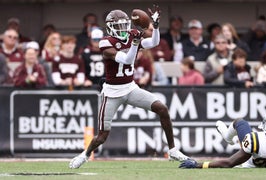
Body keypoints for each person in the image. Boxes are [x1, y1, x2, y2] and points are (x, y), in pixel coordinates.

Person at [69, 6, 189, 169]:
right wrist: (134, 44)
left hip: (130, 88)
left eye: (125, 24)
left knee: (162, 109)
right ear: (110, 27)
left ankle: (173, 150)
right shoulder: (106, 42)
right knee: (102, 136)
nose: (124, 29)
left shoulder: (132, 35)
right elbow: (126, 59)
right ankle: (84, 155)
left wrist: (156, 26)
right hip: (112, 92)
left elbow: (154, 42)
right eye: (119, 26)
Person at [179, 111, 266, 168]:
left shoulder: (255, 140)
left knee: (240, 122)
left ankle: (227, 137)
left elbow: (229, 163)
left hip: (251, 162)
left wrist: (201, 165)